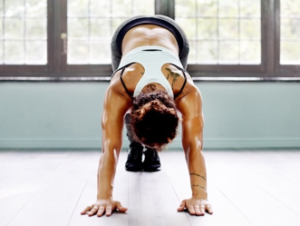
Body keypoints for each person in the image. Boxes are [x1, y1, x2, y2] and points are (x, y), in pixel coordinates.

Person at [81, 15, 213, 217]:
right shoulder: (119, 86)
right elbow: (110, 147)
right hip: (125, 35)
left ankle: (150, 151)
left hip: (173, 37)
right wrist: (103, 197)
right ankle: (136, 144)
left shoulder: (187, 90)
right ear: (132, 117)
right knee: (117, 116)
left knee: (127, 116)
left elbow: (194, 145)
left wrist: (200, 195)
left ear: (176, 115)